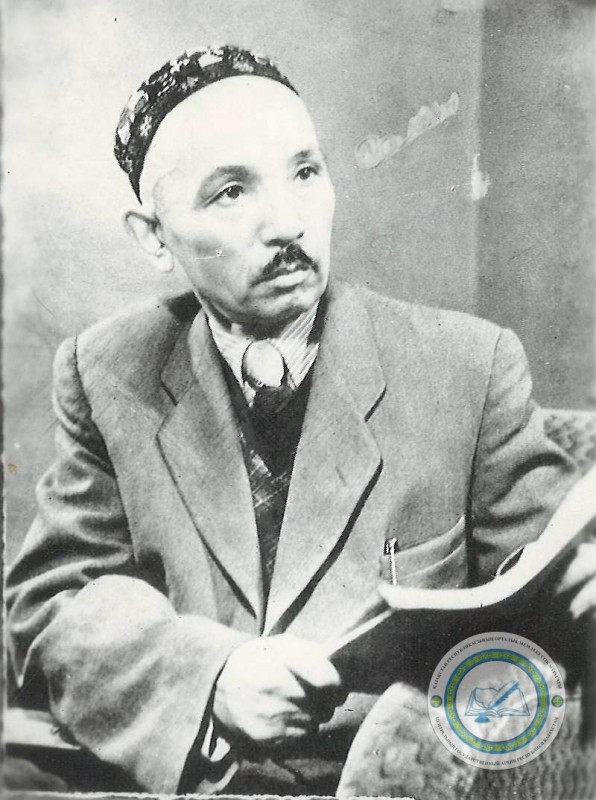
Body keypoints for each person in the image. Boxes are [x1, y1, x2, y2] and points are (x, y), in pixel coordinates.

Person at [6, 45, 594, 796]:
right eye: (230, 192)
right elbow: (51, 604)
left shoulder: (469, 369)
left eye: (306, 173)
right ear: (153, 236)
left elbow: (555, 594)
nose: (287, 222)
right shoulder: (106, 371)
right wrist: (211, 678)